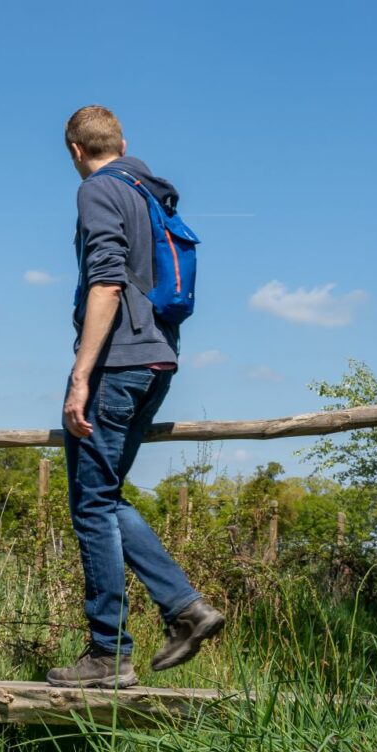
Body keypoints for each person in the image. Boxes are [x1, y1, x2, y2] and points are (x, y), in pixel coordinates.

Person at [50, 105, 224, 689]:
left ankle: (109, 653)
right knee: (105, 496)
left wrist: (81, 373)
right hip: (159, 359)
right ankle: (186, 611)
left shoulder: (98, 191)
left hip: (118, 362)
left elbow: (105, 280)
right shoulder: (150, 191)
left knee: (90, 505)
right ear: (122, 141)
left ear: (75, 150)